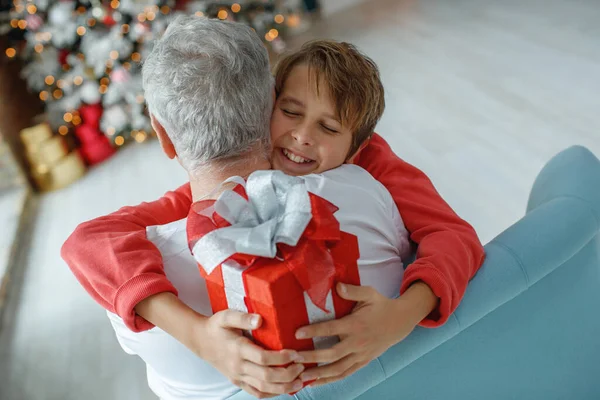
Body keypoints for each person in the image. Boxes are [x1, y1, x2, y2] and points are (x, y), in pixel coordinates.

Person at [62, 15, 485, 399]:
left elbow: (454, 235)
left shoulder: (370, 164)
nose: (301, 136)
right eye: (290, 111)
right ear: (269, 105)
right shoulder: (218, 197)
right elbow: (88, 241)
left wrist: (400, 317)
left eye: (329, 127)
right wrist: (199, 335)